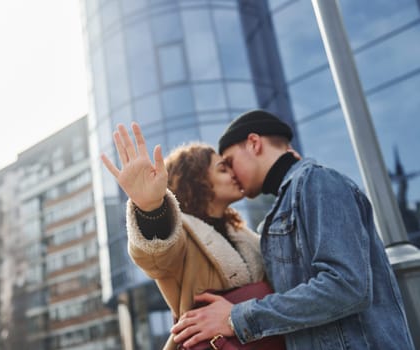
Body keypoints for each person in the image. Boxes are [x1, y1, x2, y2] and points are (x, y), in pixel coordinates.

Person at [171, 109, 415, 349]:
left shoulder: (316, 182)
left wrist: (236, 317)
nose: (232, 173)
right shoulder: (277, 214)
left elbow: (347, 286)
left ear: (254, 143)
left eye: (231, 162)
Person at [101, 123, 277, 350]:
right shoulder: (181, 231)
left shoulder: (247, 237)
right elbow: (157, 254)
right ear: (197, 180)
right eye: (223, 169)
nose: (234, 174)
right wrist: (151, 209)